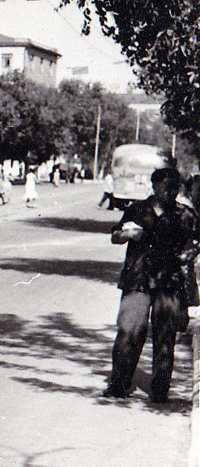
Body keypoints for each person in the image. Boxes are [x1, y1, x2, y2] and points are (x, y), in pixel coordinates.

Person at [103, 167, 199, 403]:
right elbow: (115, 235)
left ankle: (159, 389)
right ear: (154, 186)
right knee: (129, 331)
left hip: (168, 283)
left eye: (175, 187)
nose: (170, 191)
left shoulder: (185, 215)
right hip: (138, 279)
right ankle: (119, 384)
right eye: (166, 186)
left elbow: (196, 243)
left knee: (165, 336)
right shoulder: (137, 210)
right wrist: (127, 235)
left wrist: (188, 255)